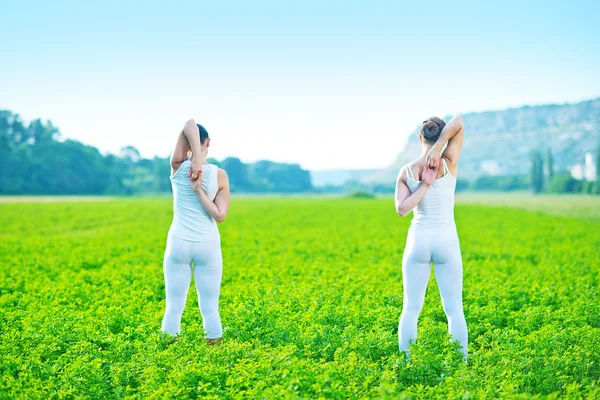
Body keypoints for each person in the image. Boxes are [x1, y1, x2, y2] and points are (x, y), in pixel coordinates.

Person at [394, 115, 468, 358]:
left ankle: (407, 364)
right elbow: (458, 121)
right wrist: (440, 149)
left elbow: (403, 210)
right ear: (440, 137)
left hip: (418, 241)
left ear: (420, 137)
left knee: (411, 309)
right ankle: (460, 364)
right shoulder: (449, 161)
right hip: (446, 240)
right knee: (454, 310)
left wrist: (423, 185)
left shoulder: (406, 170)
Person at [161, 119, 230, 345]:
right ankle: (216, 358)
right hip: (207, 245)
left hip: (178, 243)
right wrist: (200, 189)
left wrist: (195, 172)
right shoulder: (220, 175)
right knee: (210, 306)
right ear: (208, 142)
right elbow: (219, 216)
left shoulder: (178, 165)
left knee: (173, 306)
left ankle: (166, 357)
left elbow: (187, 123)